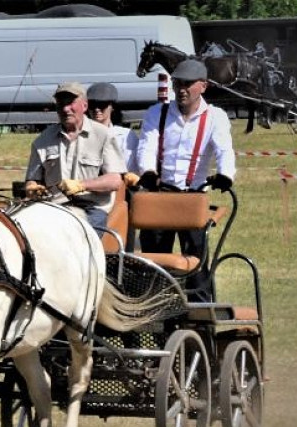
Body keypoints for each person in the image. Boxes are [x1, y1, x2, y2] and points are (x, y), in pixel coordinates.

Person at [136, 59, 235, 302]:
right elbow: (146, 146)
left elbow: (224, 149)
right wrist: (148, 172)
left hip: (193, 195)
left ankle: (200, 310)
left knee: (196, 260)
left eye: (187, 84)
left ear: (203, 86)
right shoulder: (156, 113)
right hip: (160, 194)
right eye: (177, 83)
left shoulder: (215, 117)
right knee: (154, 259)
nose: (181, 89)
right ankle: (154, 307)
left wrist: (225, 175)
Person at [23, 81, 126, 237]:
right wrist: (32, 189)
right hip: (54, 207)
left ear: (84, 106)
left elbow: (114, 180)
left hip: (92, 209)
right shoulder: (42, 141)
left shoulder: (103, 135)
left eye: (70, 103)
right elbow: (33, 181)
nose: (65, 109)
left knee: (78, 239)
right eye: (60, 104)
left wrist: (82, 185)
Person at [86, 82, 139, 174]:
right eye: (92, 105)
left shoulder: (126, 135)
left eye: (102, 105)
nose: (96, 109)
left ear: (112, 107)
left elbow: (131, 168)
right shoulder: (81, 135)